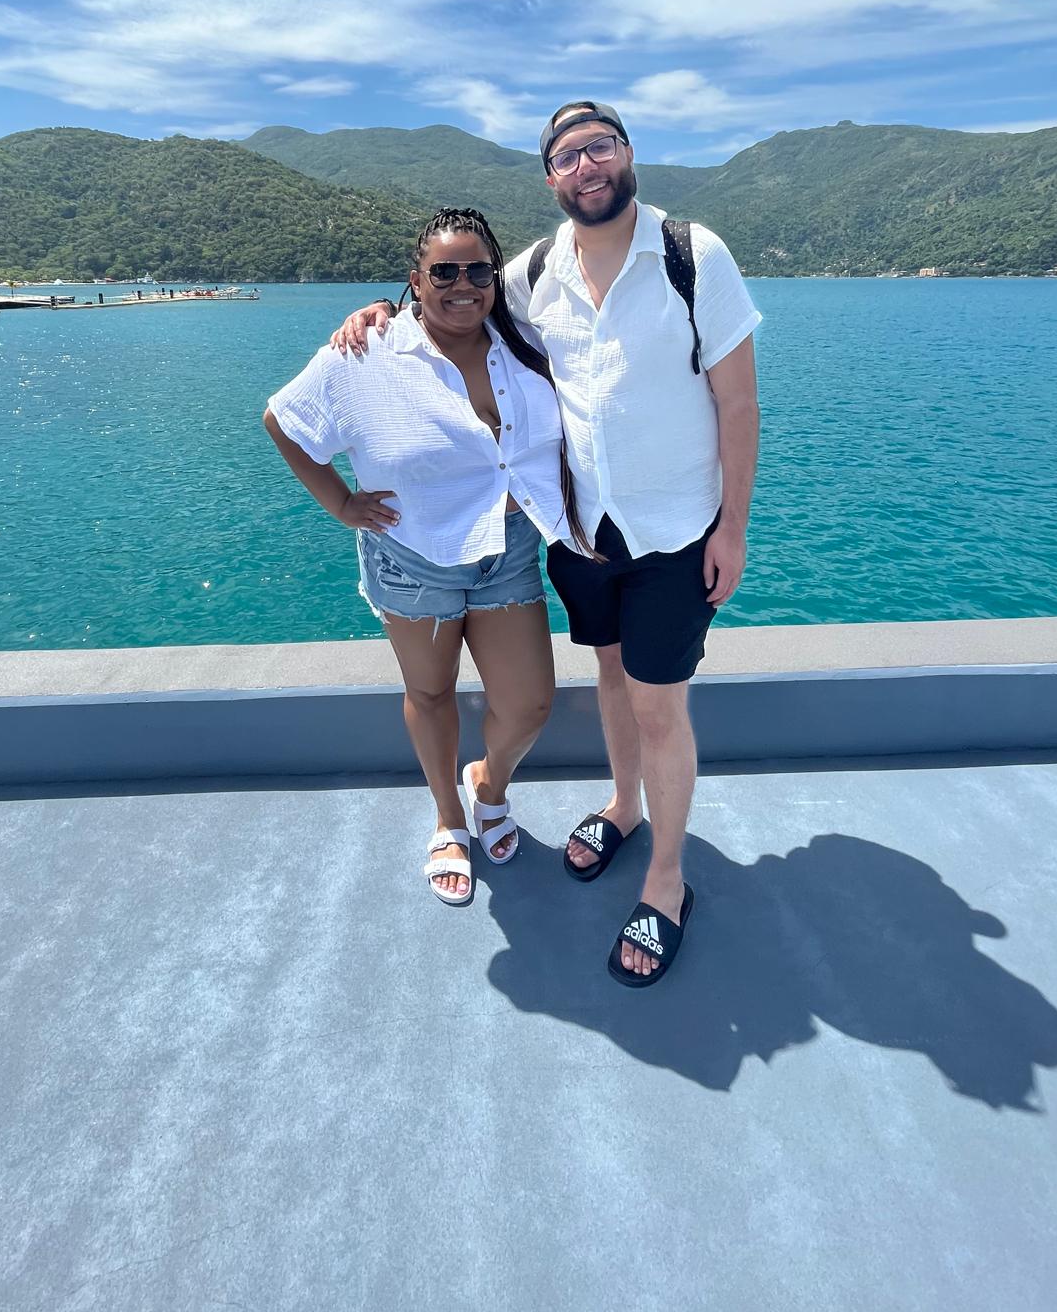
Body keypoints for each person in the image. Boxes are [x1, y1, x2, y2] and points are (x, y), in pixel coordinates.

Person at [335, 101, 761, 986]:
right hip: (578, 530)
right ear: (551, 179)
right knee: (611, 678)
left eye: (598, 148)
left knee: (660, 705)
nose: (586, 167)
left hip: (676, 529)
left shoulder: (693, 257)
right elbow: (453, 312)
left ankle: (668, 882)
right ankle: (624, 805)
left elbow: (737, 405)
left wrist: (733, 527)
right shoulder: (530, 274)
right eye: (566, 157)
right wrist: (374, 311)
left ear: (627, 153)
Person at [264, 206, 592, 907]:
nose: (463, 284)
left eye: (478, 270)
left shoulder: (523, 342)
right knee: (431, 693)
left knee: (531, 703)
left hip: (506, 551)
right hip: (411, 558)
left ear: (496, 282)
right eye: (444, 272)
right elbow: (283, 420)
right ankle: (449, 818)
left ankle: (487, 785)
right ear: (418, 280)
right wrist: (340, 503)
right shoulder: (367, 353)